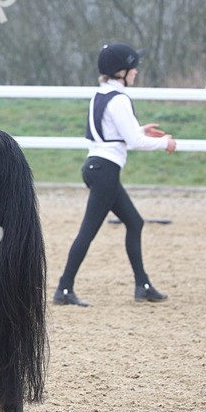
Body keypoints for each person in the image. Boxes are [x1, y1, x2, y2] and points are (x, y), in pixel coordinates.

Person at [53, 43, 176, 307]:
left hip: (96, 166)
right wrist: (164, 143)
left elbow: (112, 132)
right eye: (133, 68)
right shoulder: (120, 99)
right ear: (121, 71)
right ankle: (64, 288)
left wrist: (141, 129)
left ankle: (142, 285)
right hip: (105, 171)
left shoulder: (101, 95)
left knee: (134, 222)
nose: (136, 72)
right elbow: (133, 141)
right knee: (87, 232)